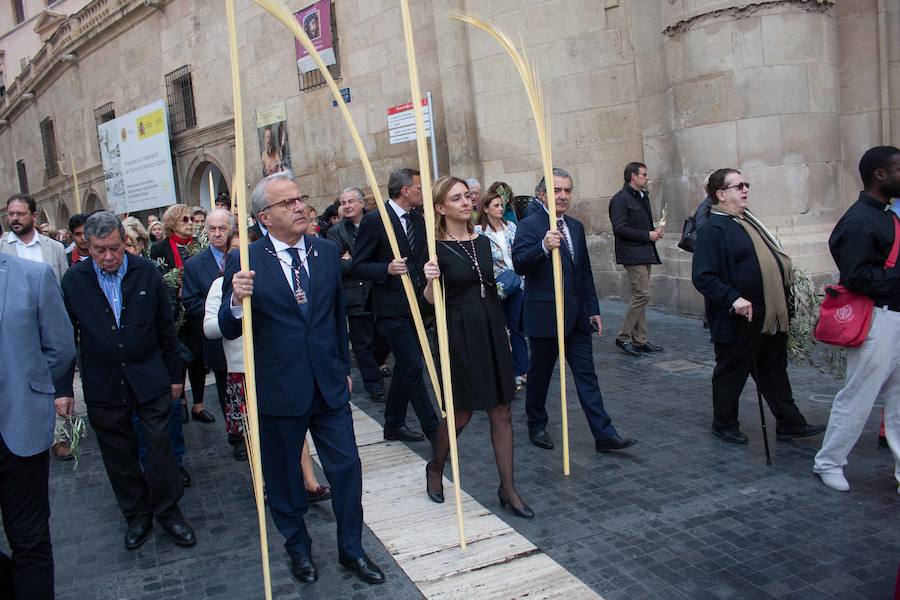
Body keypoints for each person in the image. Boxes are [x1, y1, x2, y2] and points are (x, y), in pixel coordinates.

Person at [220, 172, 384, 585]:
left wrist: (343, 370)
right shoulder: (245, 261)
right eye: (287, 203)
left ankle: (352, 549)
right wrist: (238, 302)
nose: (299, 207)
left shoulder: (325, 252)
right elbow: (227, 325)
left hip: (328, 386)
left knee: (346, 469)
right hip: (278, 389)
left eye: (299, 199)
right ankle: (299, 550)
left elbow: (334, 317)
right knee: (284, 478)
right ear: (264, 217)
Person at [57, 211, 196, 550]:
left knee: (160, 448)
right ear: (86, 247)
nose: (108, 257)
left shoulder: (146, 272)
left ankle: (168, 511)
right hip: (104, 384)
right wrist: (63, 390)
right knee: (118, 455)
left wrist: (175, 376)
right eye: (99, 250)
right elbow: (65, 338)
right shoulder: (74, 281)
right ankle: (137, 515)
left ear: (124, 242)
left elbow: (166, 327)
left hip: (150, 379)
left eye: (115, 248)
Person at [423, 176, 534, 518]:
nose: (466, 202)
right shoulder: (435, 249)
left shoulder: (482, 242)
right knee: (461, 413)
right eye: (456, 199)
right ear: (440, 208)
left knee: (502, 410)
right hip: (459, 332)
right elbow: (428, 302)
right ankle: (435, 467)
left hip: (491, 326)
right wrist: (429, 280)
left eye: (467, 197)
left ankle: (508, 488)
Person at [691, 168, 825, 445]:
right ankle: (724, 424)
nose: (745, 190)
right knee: (732, 370)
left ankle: (790, 424)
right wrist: (732, 298)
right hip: (740, 315)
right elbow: (703, 276)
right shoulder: (712, 229)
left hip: (770, 313)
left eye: (746, 184)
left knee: (773, 369)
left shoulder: (748, 221)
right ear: (721, 194)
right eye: (738, 186)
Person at [512, 168, 637, 453]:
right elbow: (519, 263)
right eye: (557, 190)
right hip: (545, 317)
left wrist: (593, 308)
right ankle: (536, 423)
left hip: (578, 317)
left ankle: (604, 434)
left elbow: (584, 272)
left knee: (587, 376)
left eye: (567, 190)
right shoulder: (530, 225)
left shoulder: (576, 227)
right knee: (540, 374)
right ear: (542, 194)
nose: (563, 196)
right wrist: (543, 247)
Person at [813, 146, 900, 493]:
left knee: (898, 401)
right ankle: (828, 463)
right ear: (879, 174)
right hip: (876, 322)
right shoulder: (859, 220)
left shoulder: (886, 215)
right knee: (858, 398)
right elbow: (857, 277)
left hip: (894, 318)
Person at [0, 253, 75, 599]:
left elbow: (59, 348)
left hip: (19, 430)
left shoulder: (33, 276)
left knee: (29, 541)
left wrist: (28, 389)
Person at [351, 168, 440, 442]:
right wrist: (386, 268)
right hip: (390, 308)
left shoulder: (418, 218)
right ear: (405, 190)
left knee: (404, 365)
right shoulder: (376, 220)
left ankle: (393, 423)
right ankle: (435, 432)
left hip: (417, 304)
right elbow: (358, 265)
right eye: (419, 187)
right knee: (413, 365)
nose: (422, 192)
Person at [150, 204, 209, 424]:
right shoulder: (160, 248)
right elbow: (160, 276)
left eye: (192, 219)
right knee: (179, 356)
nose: (190, 223)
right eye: (185, 220)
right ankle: (182, 401)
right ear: (172, 222)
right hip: (174, 311)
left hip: (195, 309)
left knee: (198, 356)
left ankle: (199, 404)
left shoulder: (198, 245)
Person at [328, 187, 386, 401]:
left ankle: (378, 364)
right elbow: (338, 266)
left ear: (362, 203)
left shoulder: (376, 224)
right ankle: (374, 384)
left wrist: (353, 259)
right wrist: (362, 263)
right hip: (355, 295)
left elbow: (383, 257)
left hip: (379, 290)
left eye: (351, 201)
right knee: (362, 344)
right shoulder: (336, 232)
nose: (347, 206)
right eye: (343, 202)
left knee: (384, 335)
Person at [183, 209, 234, 437]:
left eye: (222, 228)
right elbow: (190, 301)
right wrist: (219, 311)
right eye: (211, 229)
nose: (217, 234)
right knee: (225, 387)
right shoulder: (194, 265)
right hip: (218, 339)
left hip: (249, 336)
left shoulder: (246, 254)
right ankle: (236, 436)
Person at [609, 162, 664, 356]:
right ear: (633, 176)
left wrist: (654, 233)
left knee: (639, 295)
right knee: (643, 294)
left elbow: (641, 226)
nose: (646, 178)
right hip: (632, 254)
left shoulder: (642, 196)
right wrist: (647, 235)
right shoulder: (620, 199)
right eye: (644, 175)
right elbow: (619, 228)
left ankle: (640, 340)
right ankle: (623, 337)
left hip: (644, 251)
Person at [475, 188, 528, 385]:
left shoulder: (512, 227)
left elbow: (520, 252)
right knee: (499, 329)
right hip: (496, 286)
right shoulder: (479, 232)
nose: (500, 208)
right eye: (496, 205)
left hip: (517, 283)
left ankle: (522, 369)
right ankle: (502, 371)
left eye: (501, 205)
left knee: (516, 327)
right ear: (486, 209)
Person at [1, 194, 68, 283]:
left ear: (34, 216)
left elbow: (64, 283)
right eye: (11, 214)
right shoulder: (2, 247)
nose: (15, 218)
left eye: (20, 214)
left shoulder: (55, 248)